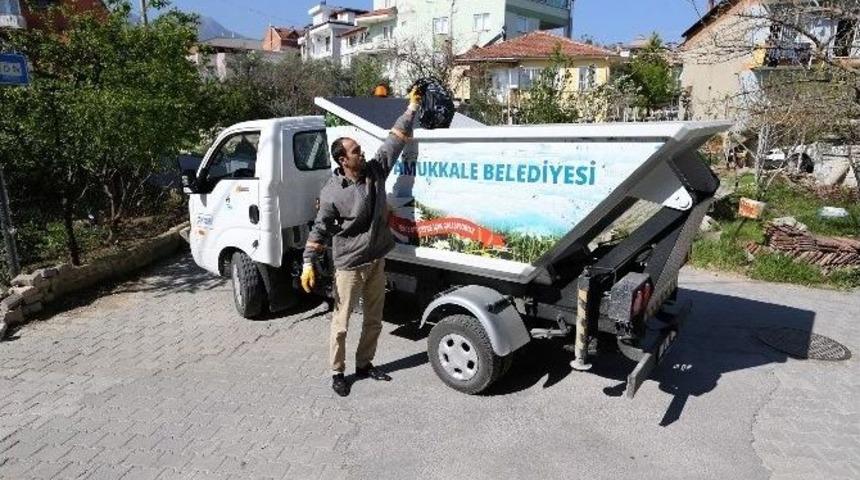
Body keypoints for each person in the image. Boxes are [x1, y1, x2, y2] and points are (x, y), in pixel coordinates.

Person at [301, 87, 422, 397]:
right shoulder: (332, 193)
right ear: (343, 160)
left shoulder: (374, 172)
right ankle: (337, 373)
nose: (362, 153)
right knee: (340, 325)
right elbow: (319, 230)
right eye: (356, 151)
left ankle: (365, 365)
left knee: (374, 320)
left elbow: (393, 141)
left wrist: (410, 110)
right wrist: (307, 263)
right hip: (349, 268)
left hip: (376, 262)